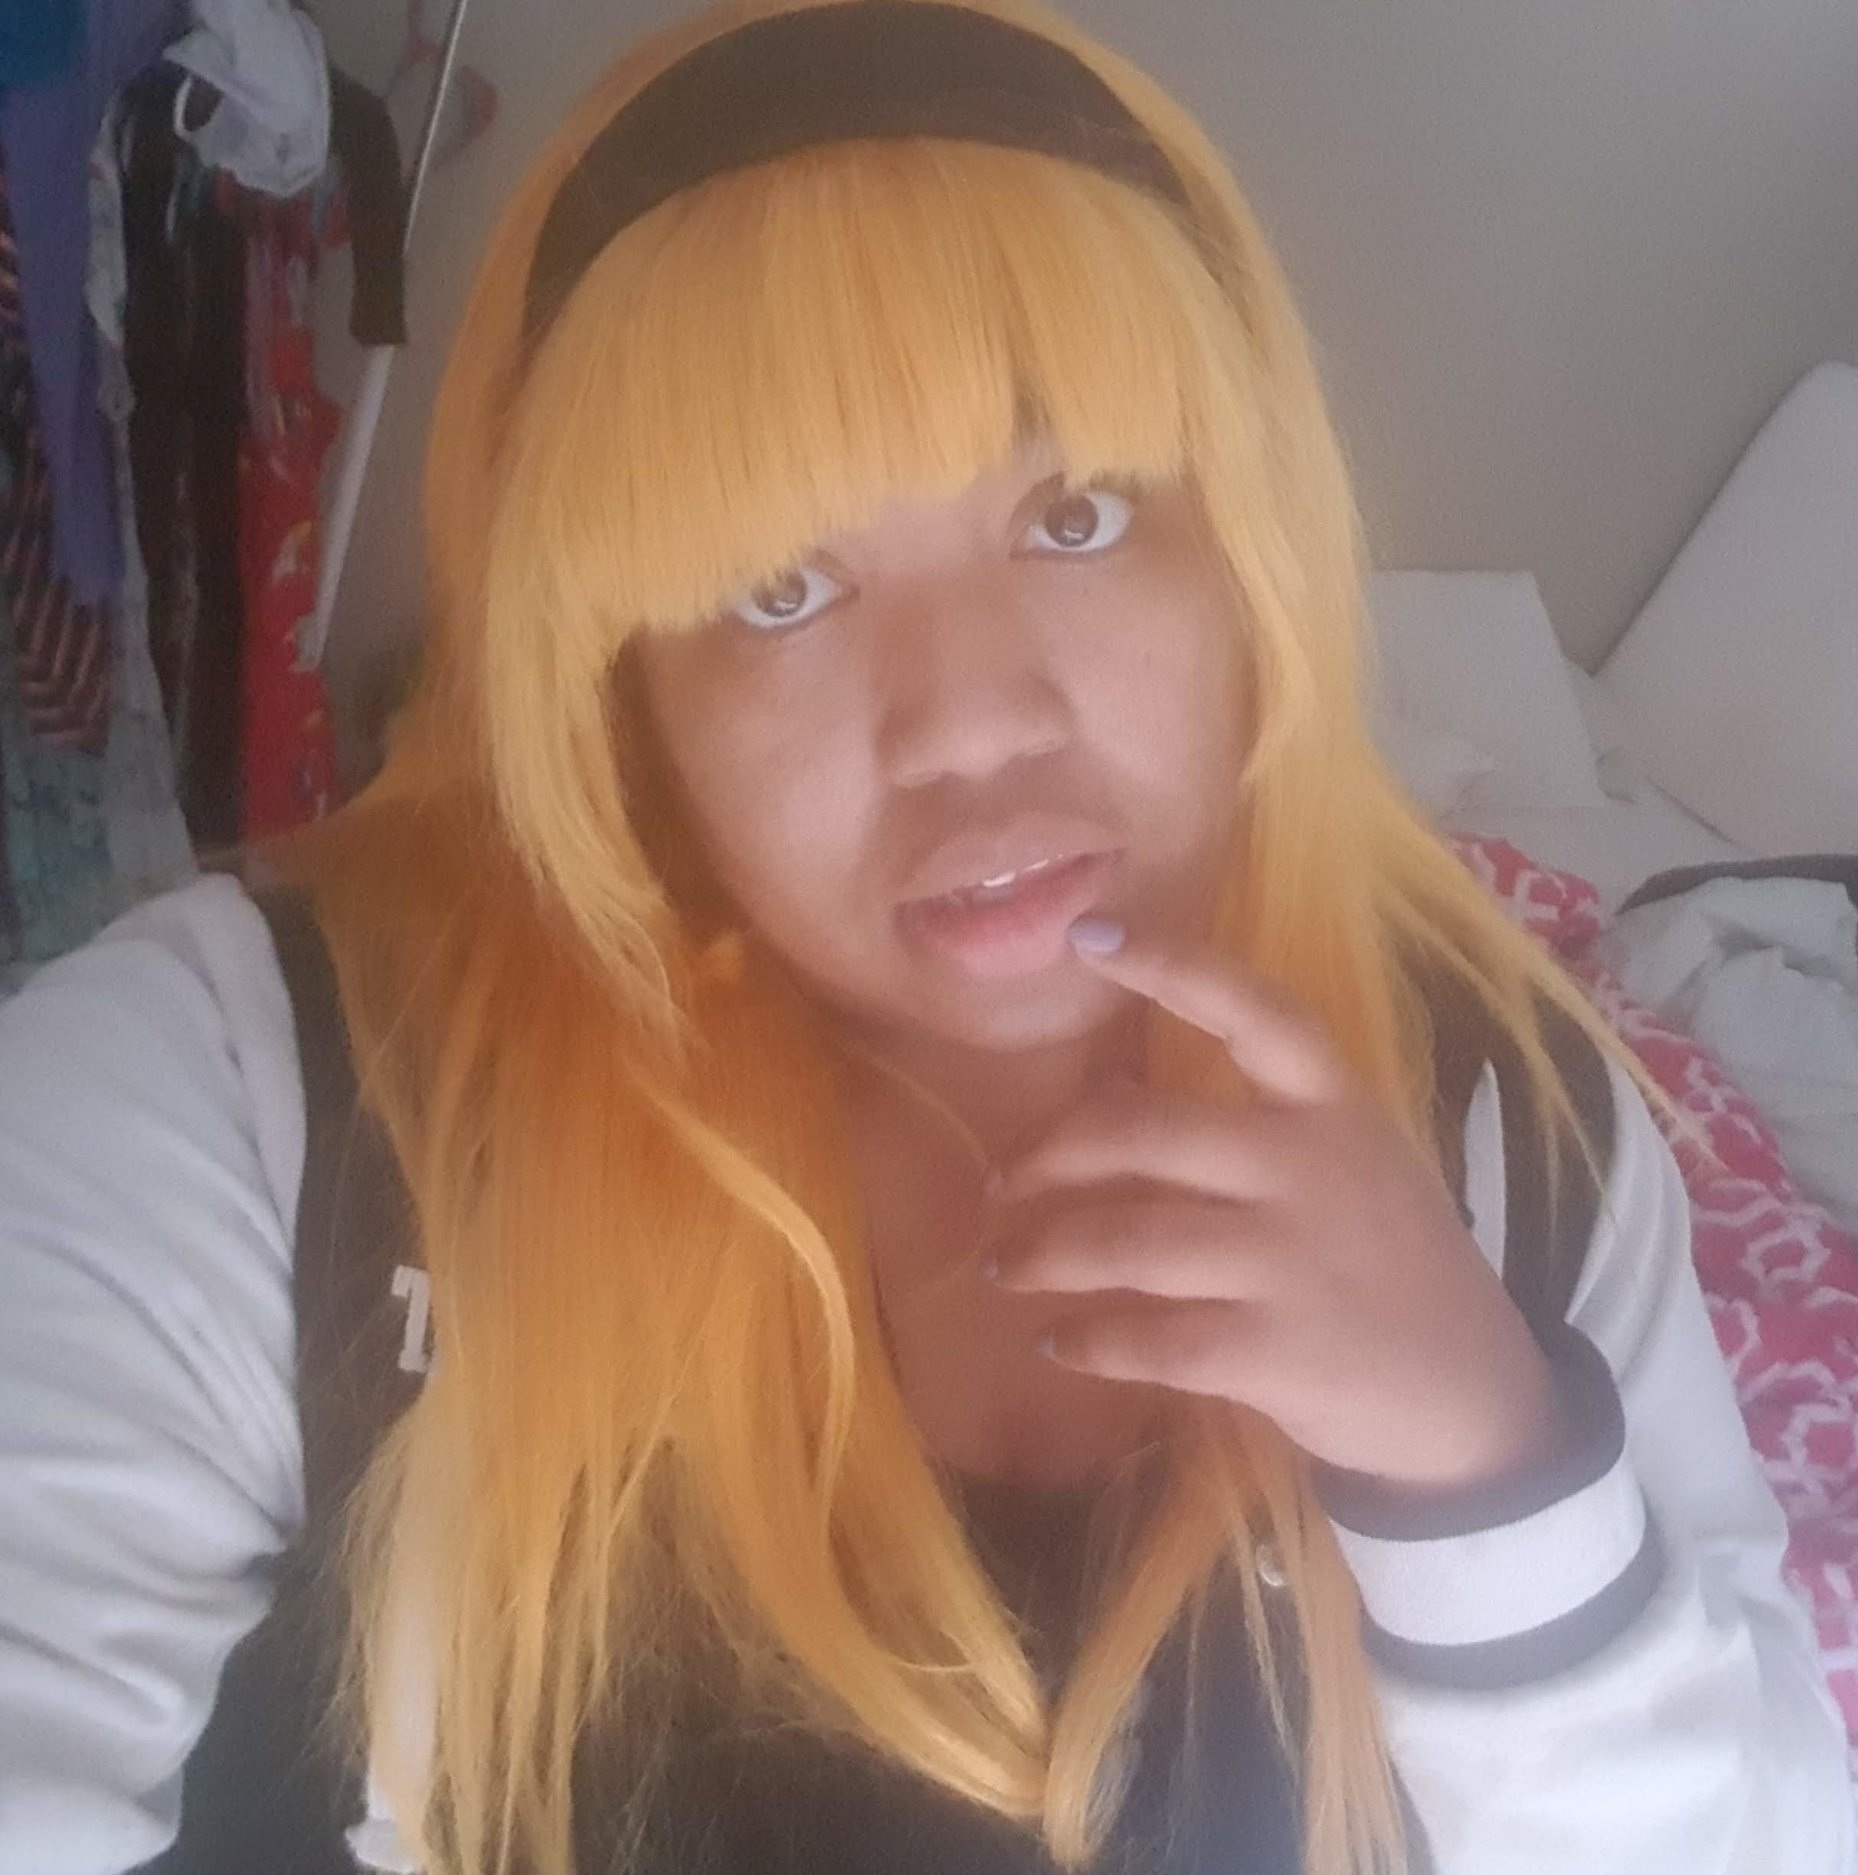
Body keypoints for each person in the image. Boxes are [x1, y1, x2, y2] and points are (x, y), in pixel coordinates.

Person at [0, 1, 1851, 1871]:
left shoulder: (1509, 1125)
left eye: (1078, 516)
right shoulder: (238, 1098)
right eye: (777, 589)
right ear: (618, 689)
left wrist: (1482, 1467)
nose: (968, 723)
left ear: (1254, 555)